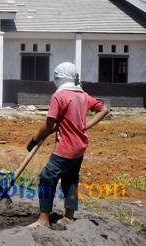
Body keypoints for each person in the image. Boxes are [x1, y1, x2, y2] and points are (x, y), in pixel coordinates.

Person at [26, 62, 109, 228]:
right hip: (79, 147)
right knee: (70, 180)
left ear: (60, 78)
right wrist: (85, 126)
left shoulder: (59, 96)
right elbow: (104, 110)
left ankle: (43, 220)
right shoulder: (83, 95)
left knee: (46, 178)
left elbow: (49, 125)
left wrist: (34, 139)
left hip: (66, 148)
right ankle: (69, 217)